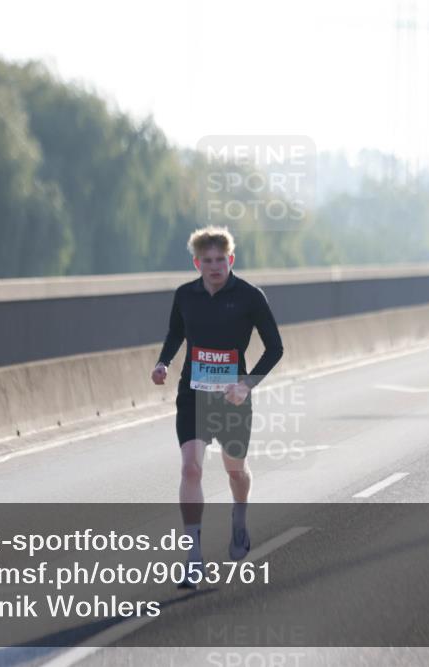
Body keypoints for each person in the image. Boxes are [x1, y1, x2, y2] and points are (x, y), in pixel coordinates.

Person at [152, 226, 283, 589]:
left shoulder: (249, 296)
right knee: (191, 469)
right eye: (207, 261)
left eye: (220, 260)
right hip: (193, 394)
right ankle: (193, 557)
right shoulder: (185, 296)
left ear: (231, 260)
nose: (214, 267)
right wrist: (163, 363)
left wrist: (246, 384)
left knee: (235, 471)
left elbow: (275, 348)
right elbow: (176, 334)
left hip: (232, 397)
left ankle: (239, 516)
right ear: (197, 262)